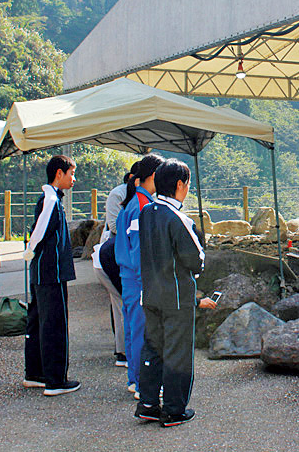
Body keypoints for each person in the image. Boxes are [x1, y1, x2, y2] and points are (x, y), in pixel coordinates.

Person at [134, 158, 216, 427]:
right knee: (178, 353)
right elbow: (196, 259)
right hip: (177, 297)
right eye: (188, 183)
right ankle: (173, 409)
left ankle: (147, 404)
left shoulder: (147, 212)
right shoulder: (179, 219)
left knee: (153, 349)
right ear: (180, 185)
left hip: (151, 293)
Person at [22, 154, 80, 396]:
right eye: (71, 174)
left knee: (38, 321)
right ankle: (55, 380)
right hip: (51, 272)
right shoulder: (50, 199)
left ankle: (35, 373)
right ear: (59, 173)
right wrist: (29, 251)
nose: (74, 179)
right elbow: (39, 232)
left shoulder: (52, 198)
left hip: (42, 272)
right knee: (54, 324)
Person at [115, 154, 163, 396]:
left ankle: (135, 379)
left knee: (133, 330)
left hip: (128, 277)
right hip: (138, 278)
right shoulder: (143, 206)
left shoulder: (132, 203)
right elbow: (140, 251)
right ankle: (144, 383)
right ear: (154, 175)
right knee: (143, 332)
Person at [92, 168, 134, 368]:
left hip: (119, 254)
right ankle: (123, 352)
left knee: (123, 302)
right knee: (121, 302)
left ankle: (124, 349)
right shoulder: (120, 194)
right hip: (112, 254)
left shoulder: (140, 197)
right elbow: (115, 227)